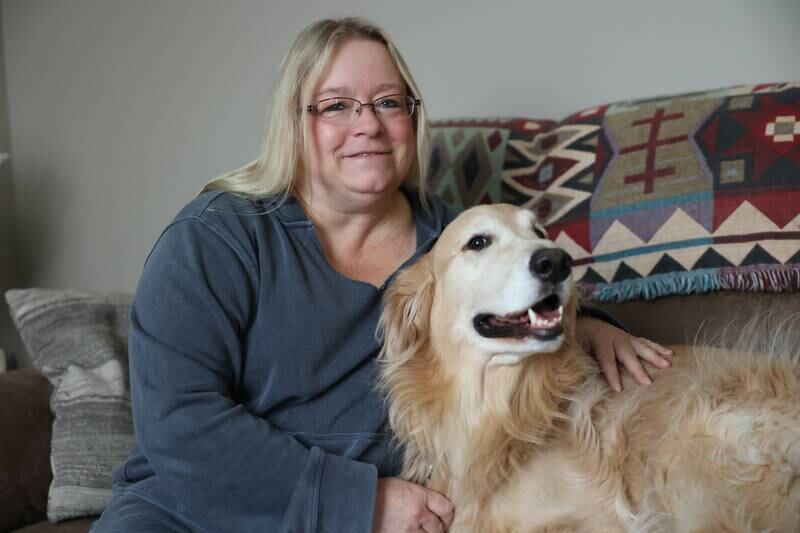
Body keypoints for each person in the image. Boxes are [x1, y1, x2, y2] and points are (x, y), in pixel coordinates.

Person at [91, 17, 673, 533]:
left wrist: (584, 322)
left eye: (389, 103)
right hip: (194, 508)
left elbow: (519, 278)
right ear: (295, 124)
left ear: (412, 121)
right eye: (337, 105)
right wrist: (360, 503)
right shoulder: (215, 238)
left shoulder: (453, 243)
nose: (367, 124)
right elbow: (179, 423)